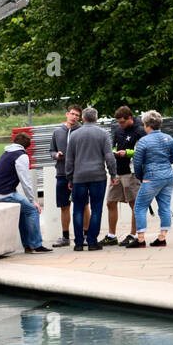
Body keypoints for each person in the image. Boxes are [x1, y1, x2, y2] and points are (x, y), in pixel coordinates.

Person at [0, 129, 50, 254]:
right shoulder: (21, 156)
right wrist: (33, 201)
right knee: (32, 210)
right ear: (27, 146)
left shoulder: (6, 153)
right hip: (4, 194)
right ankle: (36, 245)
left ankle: (28, 246)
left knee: (23, 212)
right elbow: (25, 181)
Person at [125, 110, 173, 248]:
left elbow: (137, 163)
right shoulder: (168, 138)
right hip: (168, 176)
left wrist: (140, 176)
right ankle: (162, 237)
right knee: (165, 206)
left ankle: (140, 239)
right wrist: (165, 163)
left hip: (151, 177)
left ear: (146, 125)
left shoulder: (143, 141)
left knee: (139, 207)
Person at [63, 106, 116, 251]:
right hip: (98, 176)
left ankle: (79, 243)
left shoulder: (74, 135)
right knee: (96, 208)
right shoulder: (103, 134)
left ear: (83, 118)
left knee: (78, 209)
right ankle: (92, 241)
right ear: (96, 119)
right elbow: (109, 157)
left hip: (79, 177)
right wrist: (113, 174)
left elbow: (69, 160)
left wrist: (69, 178)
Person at [104, 105, 145, 245]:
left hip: (132, 172)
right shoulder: (118, 130)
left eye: (122, 122)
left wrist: (127, 153)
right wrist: (115, 151)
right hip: (118, 171)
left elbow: (142, 151)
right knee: (110, 202)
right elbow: (114, 145)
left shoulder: (140, 130)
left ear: (130, 118)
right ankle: (111, 235)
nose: (120, 125)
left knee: (134, 204)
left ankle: (133, 234)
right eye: (118, 122)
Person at [49, 103, 83, 247]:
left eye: (77, 115)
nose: (74, 117)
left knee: (83, 205)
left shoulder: (81, 131)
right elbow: (51, 151)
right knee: (64, 206)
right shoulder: (57, 132)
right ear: (67, 114)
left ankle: (85, 235)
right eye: (72, 114)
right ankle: (65, 237)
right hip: (62, 173)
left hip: (79, 174)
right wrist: (56, 155)